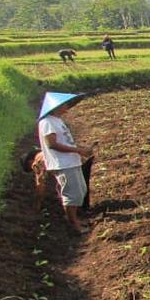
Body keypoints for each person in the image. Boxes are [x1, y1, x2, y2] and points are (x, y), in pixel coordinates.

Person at [36, 92, 96, 233]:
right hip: (62, 163)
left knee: (80, 191)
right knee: (72, 194)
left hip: (70, 161)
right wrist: (78, 150)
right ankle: (73, 224)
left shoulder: (57, 120)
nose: (67, 107)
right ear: (55, 106)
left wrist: (78, 151)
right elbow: (52, 144)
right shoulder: (47, 122)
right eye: (65, 104)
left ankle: (74, 219)